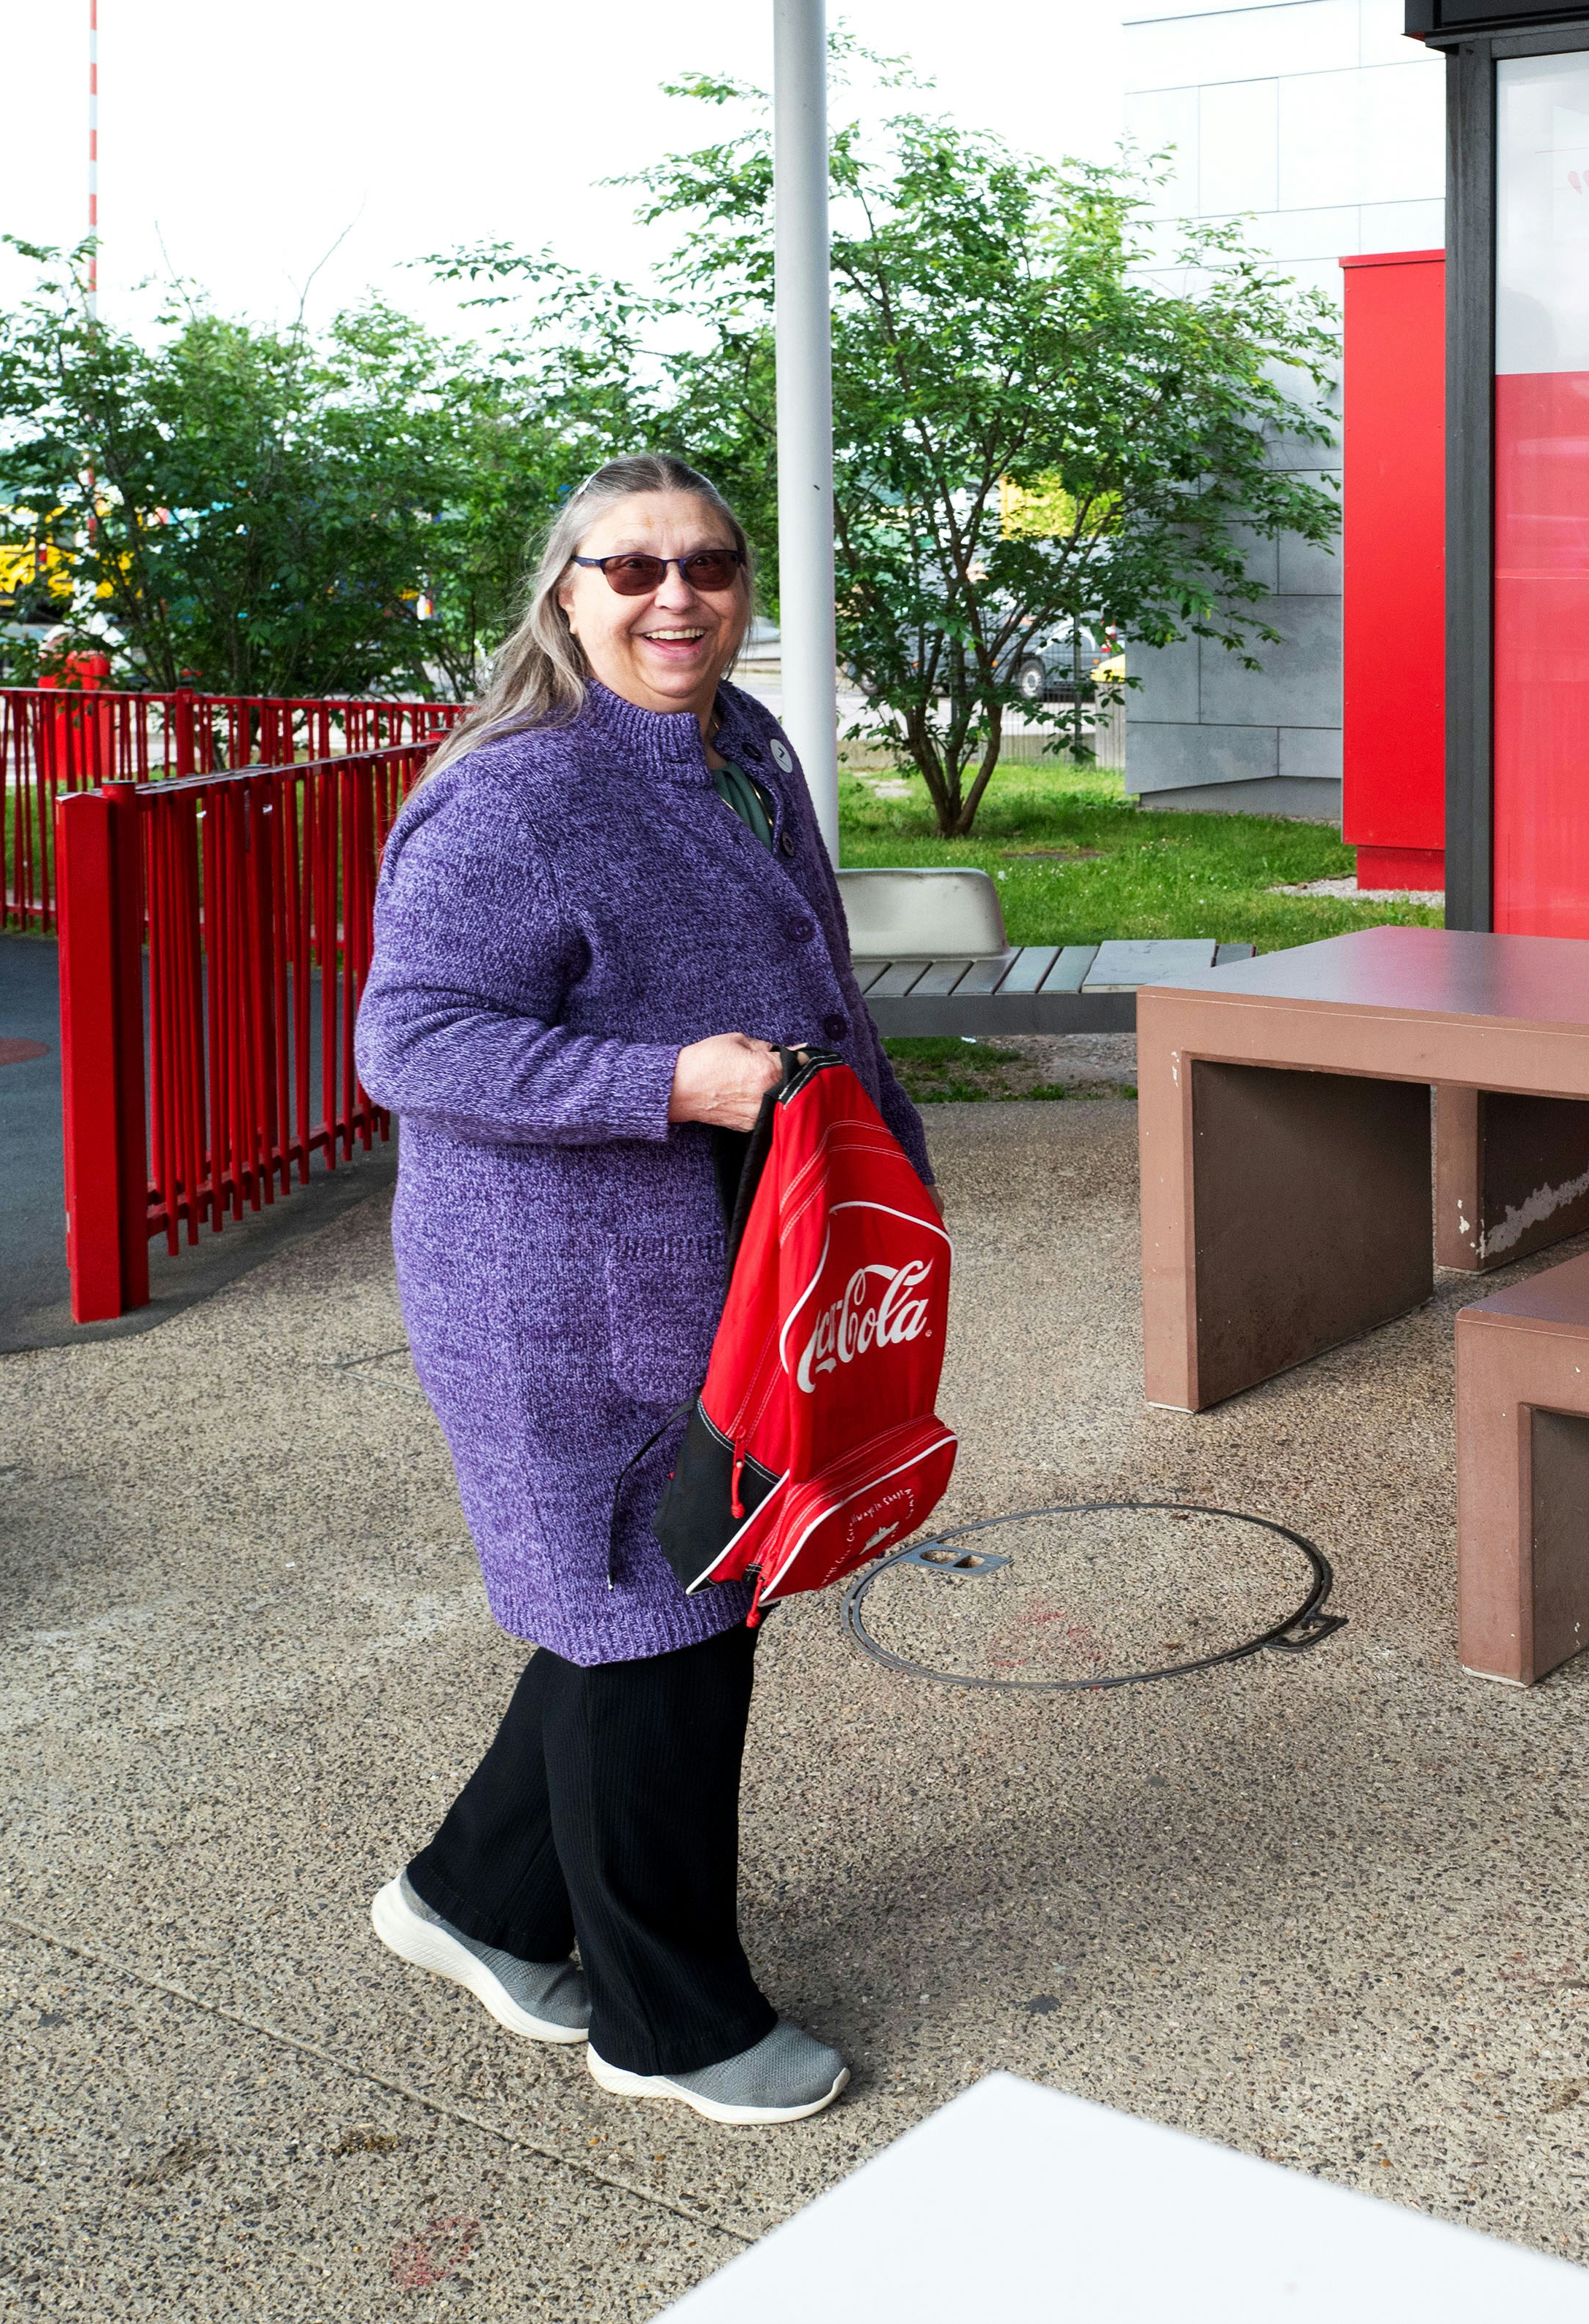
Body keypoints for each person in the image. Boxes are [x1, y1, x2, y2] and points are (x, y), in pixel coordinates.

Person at [351, 455, 930, 2129]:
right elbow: (411, 1042)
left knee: (644, 1602)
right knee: (664, 1624)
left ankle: (471, 1902)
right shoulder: (516, 795)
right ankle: (665, 2025)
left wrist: (892, 1180)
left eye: (709, 565)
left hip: (745, 1262)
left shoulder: (740, 750)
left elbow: (822, 977)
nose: (676, 597)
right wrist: (665, 1084)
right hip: (565, 1286)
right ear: (566, 593)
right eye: (633, 570)